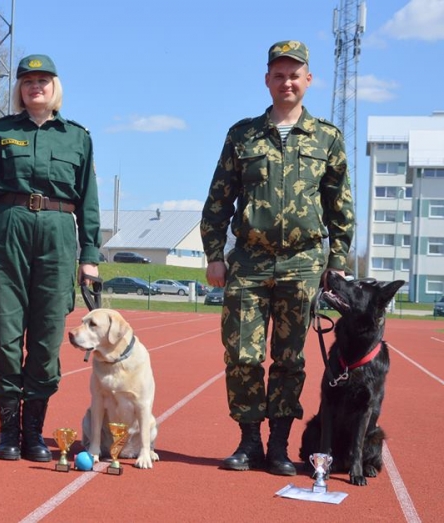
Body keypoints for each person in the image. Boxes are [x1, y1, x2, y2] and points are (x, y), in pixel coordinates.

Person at [200, 40, 354, 476]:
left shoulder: (327, 138)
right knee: (242, 355)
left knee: (290, 360)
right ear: (267, 80)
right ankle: (249, 443)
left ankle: (279, 447)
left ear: (308, 79)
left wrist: (336, 260)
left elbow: (340, 206)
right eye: (279, 74)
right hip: (248, 261)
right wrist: (215, 254)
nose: (287, 82)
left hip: (303, 264)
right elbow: (218, 202)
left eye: (294, 74)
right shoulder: (242, 135)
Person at [0, 54, 101, 462]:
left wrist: (89, 255)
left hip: (58, 237)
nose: (35, 87)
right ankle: (8, 432)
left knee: (45, 341)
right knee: (6, 339)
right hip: (8, 232)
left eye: (43, 80)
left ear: (55, 87)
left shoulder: (77, 137)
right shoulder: (1, 132)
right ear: (19, 89)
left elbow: (88, 201)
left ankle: (34, 434)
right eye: (27, 81)